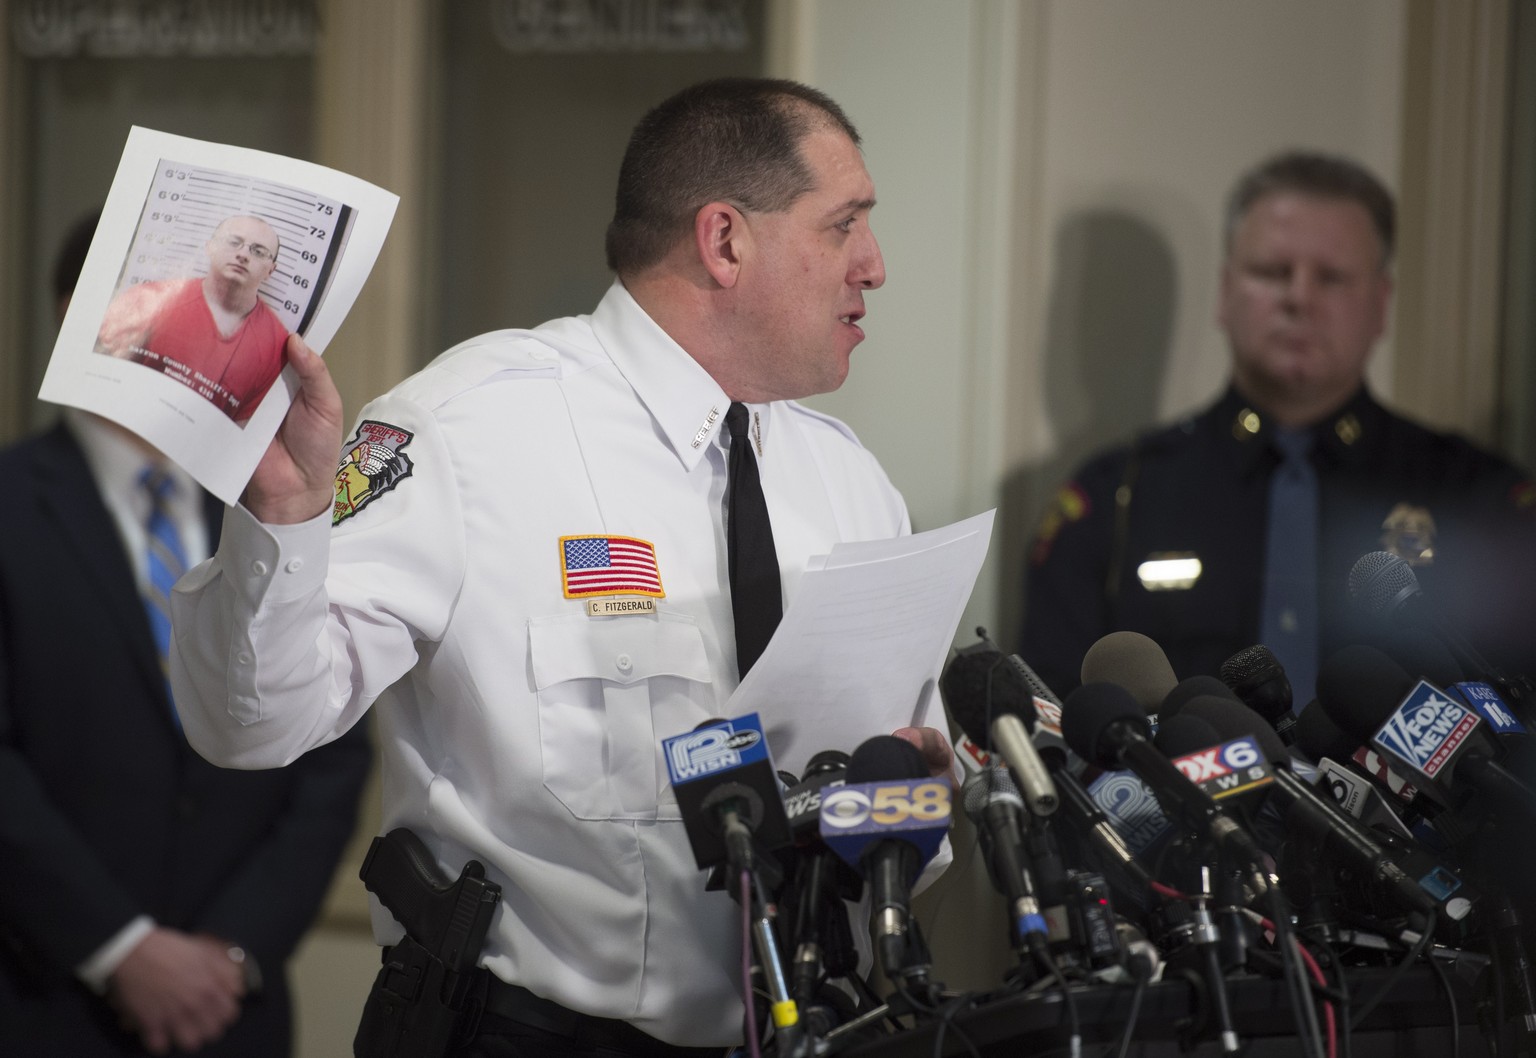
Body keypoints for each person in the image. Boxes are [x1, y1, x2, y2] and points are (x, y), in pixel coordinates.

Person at [170, 78, 955, 1057]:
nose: (874, 267)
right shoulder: (467, 427)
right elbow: (252, 722)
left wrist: (911, 799)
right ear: (725, 242)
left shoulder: (850, 481)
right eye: (845, 226)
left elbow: (916, 823)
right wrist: (283, 516)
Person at [0, 211, 373, 1057]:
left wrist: (235, 950)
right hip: (46, 996)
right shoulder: (12, 502)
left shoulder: (276, 497)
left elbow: (334, 741)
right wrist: (120, 948)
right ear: (76, 319)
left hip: (234, 1004)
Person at [1020, 151, 1536, 704]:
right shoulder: (1115, 499)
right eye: (1272, 272)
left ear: (1382, 303)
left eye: (1332, 277)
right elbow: (1048, 719)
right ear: (1225, 292)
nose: (1299, 297)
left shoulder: (1482, 501)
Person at [97, 214, 290, 424]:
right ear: (210, 247)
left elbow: (243, 428)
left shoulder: (277, 346)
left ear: (270, 270)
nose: (243, 254)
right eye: (234, 242)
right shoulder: (145, 301)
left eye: (259, 251)